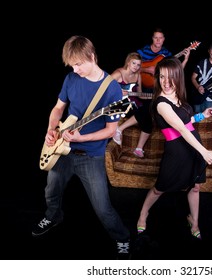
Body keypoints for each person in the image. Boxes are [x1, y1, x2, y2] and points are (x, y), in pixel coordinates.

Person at [32, 35, 131, 259]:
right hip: (62, 149)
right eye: (72, 65)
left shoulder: (112, 90)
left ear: (92, 57)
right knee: (51, 191)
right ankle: (53, 216)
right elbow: (58, 109)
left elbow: (109, 131)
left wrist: (81, 139)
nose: (75, 69)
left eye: (79, 64)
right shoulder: (71, 79)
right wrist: (51, 129)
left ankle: (122, 238)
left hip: (91, 156)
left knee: (103, 208)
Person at [136, 57, 212, 239]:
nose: (166, 82)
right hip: (177, 151)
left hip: (192, 146)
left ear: (178, 77)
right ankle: (143, 214)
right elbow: (180, 128)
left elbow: (187, 123)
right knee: (159, 188)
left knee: (195, 187)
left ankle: (194, 221)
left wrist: (202, 116)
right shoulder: (161, 103)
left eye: (170, 77)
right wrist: (204, 152)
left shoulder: (179, 98)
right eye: (162, 77)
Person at [112, 27, 191, 157]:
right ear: (152, 38)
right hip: (140, 86)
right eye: (156, 37)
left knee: (150, 111)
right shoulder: (143, 51)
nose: (158, 40)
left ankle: (137, 147)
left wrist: (185, 59)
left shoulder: (166, 53)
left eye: (161, 38)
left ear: (164, 39)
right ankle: (133, 142)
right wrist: (149, 69)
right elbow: (133, 65)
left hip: (155, 89)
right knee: (147, 111)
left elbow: (174, 71)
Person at [111, 52, 143, 118]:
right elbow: (104, 87)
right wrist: (117, 92)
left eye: (138, 65)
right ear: (128, 62)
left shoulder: (138, 76)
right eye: (133, 63)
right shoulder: (118, 73)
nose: (136, 66)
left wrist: (153, 96)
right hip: (119, 103)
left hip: (133, 102)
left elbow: (140, 94)